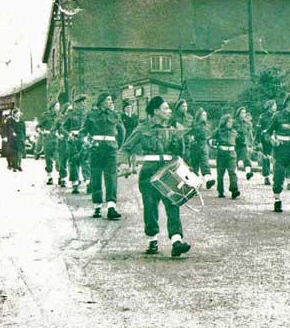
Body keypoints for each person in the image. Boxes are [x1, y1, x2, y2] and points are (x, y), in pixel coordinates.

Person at [119, 96, 191, 257]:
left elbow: (181, 152)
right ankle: (152, 239)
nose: (169, 111)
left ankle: (176, 241)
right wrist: (124, 164)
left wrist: (180, 141)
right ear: (156, 111)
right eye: (165, 108)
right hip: (149, 173)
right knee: (150, 207)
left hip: (168, 172)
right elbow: (125, 148)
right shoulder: (143, 128)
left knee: (173, 204)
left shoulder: (173, 127)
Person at [81, 92, 126, 219]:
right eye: (107, 99)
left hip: (111, 149)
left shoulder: (115, 115)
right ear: (100, 101)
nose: (110, 102)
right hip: (96, 148)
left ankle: (111, 206)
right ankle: (97, 206)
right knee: (96, 176)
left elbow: (122, 131)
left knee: (111, 176)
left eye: (111, 100)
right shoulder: (91, 115)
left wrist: (118, 146)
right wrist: (85, 141)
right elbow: (83, 132)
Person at [63, 95, 90, 194]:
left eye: (85, 102)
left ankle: (88, 182)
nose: (84, 104)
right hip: (73, 139)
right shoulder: (70, 114)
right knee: (73, 160)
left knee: (85, 160)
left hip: (84, 139)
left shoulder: (88, 113)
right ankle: (75, 183)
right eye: (82, 102)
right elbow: (63, 127)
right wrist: (68, 134)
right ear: (77, 103)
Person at [213, 114, 240, 199]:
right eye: (228, 121)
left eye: (231, 121)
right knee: (220, 173)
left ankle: (234, 190)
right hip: (221, 154)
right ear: (224, 122)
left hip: (232, 153)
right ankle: (220, 190)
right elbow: (210, 140)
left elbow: (239, 142)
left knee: (232, 172)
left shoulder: (234, 132)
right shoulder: (218, 131)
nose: (230, 123)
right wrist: (215, 146)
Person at [190, 108, 215, 189]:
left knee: (205, 165)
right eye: (203, 115)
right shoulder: (194, 125)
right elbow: (189, 134)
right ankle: (195, 185)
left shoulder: (207, 126)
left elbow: (209, 136)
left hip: (204, 147)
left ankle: (208, 180)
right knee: (194, 166)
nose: (205, 117)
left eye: (206, 115)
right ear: (199, 116)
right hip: (195, 148)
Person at [256, 100, 277, 186]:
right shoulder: (263, 117)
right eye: (274, 105)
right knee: (266, 158)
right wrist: (259, 141)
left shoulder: (276, 116)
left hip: (276, 139)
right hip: (265, 140)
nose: (276, 107)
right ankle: (266, 177)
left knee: (276, 158)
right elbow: (258, 130)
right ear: (270, 106)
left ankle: (276, 176)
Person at [38, 101, 60, 184]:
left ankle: (60, 177)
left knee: (58, 158)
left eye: (59, 106)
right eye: (57, 106)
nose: (58, 108)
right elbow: (38, 127)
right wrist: (42, 132)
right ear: (53, 107)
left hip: (57, 139)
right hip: (48, 139)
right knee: (48, 159)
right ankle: (49, 177)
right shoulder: (46, 115)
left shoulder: (59, 116)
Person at [234, 107, 254, 180]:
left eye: (244, 112)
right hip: (235, 143)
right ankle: (234, 174)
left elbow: (249, 133)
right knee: (235, 159)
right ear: (238, 113)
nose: (243, 114)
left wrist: (251, 143)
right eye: (242, 112)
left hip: (243, 143)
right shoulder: (234, 122)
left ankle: (248, 173)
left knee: (246, 157)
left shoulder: (247, 123)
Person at [54, 102, 72, 187]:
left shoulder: (73, 118)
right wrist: (58, 135)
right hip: (62, 142)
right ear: (65, 110)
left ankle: (74, 180)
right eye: (69, 110)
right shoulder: (59, 119)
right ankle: (63, 178)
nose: (70, 112)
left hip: (71, 142)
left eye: (71, 110)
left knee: (72, 161)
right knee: (63, 161)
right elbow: (53, 130)